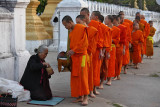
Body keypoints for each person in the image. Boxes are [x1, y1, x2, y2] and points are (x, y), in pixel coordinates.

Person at [62, 15, 89, 106]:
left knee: (83, 76)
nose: (65, 27)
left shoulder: (81, 27)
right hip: (74, 56)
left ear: (70, 22)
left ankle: (86, 97)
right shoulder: (71, 31)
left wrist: (75, 50)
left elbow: (85, 42)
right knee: (75, 76)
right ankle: (79, 96)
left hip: (81, 56)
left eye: (66, 25)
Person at [80, 8, 104, 95]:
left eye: (84, 16)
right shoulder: (81, 25)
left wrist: (101, 51)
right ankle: (86, 90)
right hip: (85, 51)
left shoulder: (96, 24)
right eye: (81, 15)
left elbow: (100, 39)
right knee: (87, 72)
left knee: (95, 70)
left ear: (88, 15)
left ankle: (93, 89)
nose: (83, 17)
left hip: (95, 51)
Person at [76, 15, 98, 98]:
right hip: (79, 55)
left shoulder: (92, 30)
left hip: (87, 54)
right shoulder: (78, 30)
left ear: (84, 21)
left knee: (89, 74)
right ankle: (81, 93)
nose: (78, 24)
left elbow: (93, 43)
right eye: (77, 23)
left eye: (79, 22)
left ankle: (90, 91)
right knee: (82, 75)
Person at [105, 15, 120, 85]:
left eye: (106, 19)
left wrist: (111, 40)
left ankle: (109, 79)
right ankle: (103, 78)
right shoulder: (103, 28)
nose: (104, 20)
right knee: (104, 64)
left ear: (110, 20)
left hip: (112, 48)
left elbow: (117, 40)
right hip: (104, 48)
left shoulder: (116, 30)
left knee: (111, 64)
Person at [98, 14, 111, 89]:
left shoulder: (105, 28)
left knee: (104, 68)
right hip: (97, 50)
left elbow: (107, 41)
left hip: (104, 50)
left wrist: (106, 52)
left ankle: (101, 83)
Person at [112, 15, 127, 80]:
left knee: (118, 61)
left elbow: (124, 39)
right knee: (113, 62)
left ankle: (117, 75)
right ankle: (113, 74)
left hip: (119, 47)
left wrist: (124, 48)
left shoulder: (122, 28)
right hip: (112, 47)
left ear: (115, 20)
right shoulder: (111, 27)